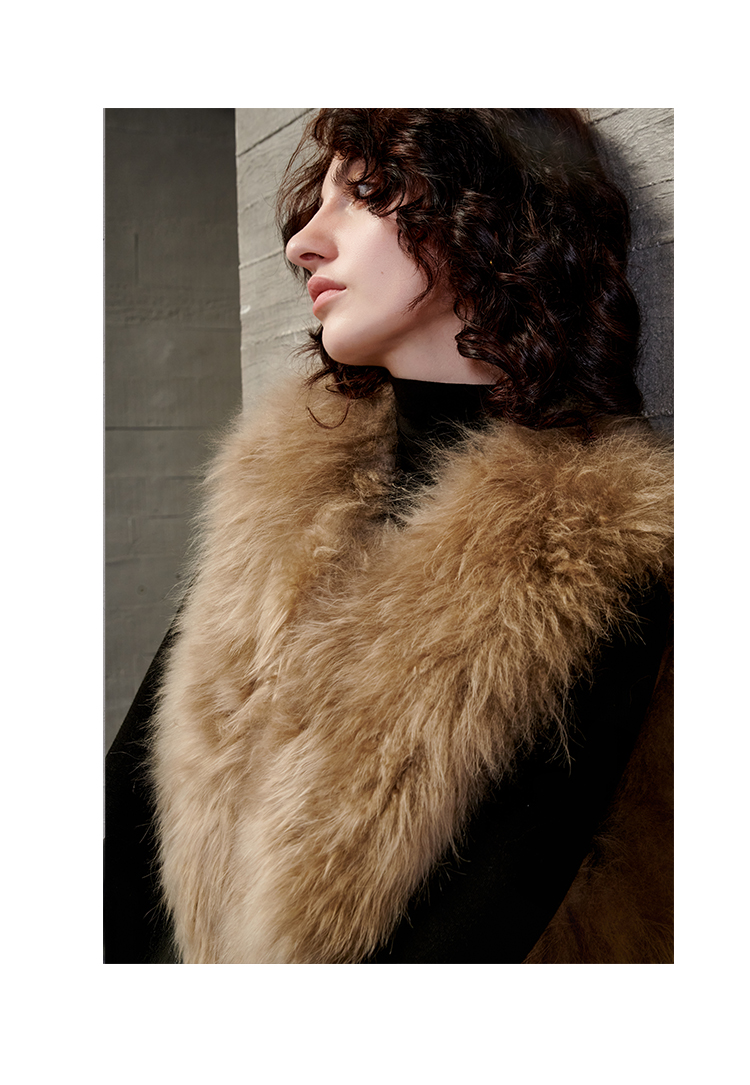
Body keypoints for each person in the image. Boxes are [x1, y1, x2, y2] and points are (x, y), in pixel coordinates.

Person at [104, 108, 673, 964]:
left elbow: (466, 937)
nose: (303, 243)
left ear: (490, 213)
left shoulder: (590, 552)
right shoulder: (274, 491)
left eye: (365, 192)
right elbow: (124, 835)